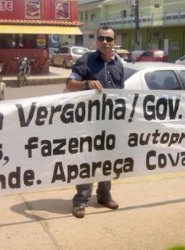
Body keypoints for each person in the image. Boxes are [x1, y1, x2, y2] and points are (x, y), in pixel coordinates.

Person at [66, 26, 124, 218]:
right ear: (96, 41)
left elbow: (121, 94)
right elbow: (69, 84)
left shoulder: (119, 64)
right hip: (88, 123)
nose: (105, 42)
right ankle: (80, 201)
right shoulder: (86, 61)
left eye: (109, 39)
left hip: (111, 123)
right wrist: (87, 84)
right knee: (87, 160)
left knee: (107, 160)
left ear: (115, 41)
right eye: (102, 38)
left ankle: (104, 195)